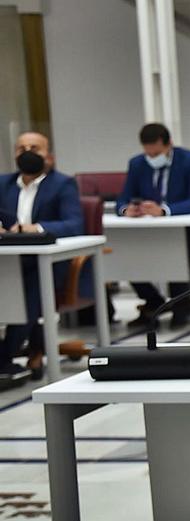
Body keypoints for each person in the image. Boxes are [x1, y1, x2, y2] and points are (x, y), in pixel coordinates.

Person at [0, 132, 83, 384]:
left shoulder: (63, 184)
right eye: (21, 148)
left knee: (29, 289)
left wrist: (34, 228)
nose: (27, 152)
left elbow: (74, 224)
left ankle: (4, 359)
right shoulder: (3, 183)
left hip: (49, 263)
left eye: (34, 148)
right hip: (8, 262)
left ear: (49, 155)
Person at [115, 123, 190, 328]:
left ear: (169, 144)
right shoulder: (137, 164)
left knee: (174, 249)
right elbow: (122, 199)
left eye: (157, 153)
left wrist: (164, 210)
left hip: (183, 228)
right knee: (122, 253)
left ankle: (182, 304)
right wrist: (127, 210)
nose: (152, 158)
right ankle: (152, 301)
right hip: (145, 229)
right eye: (149, 153)